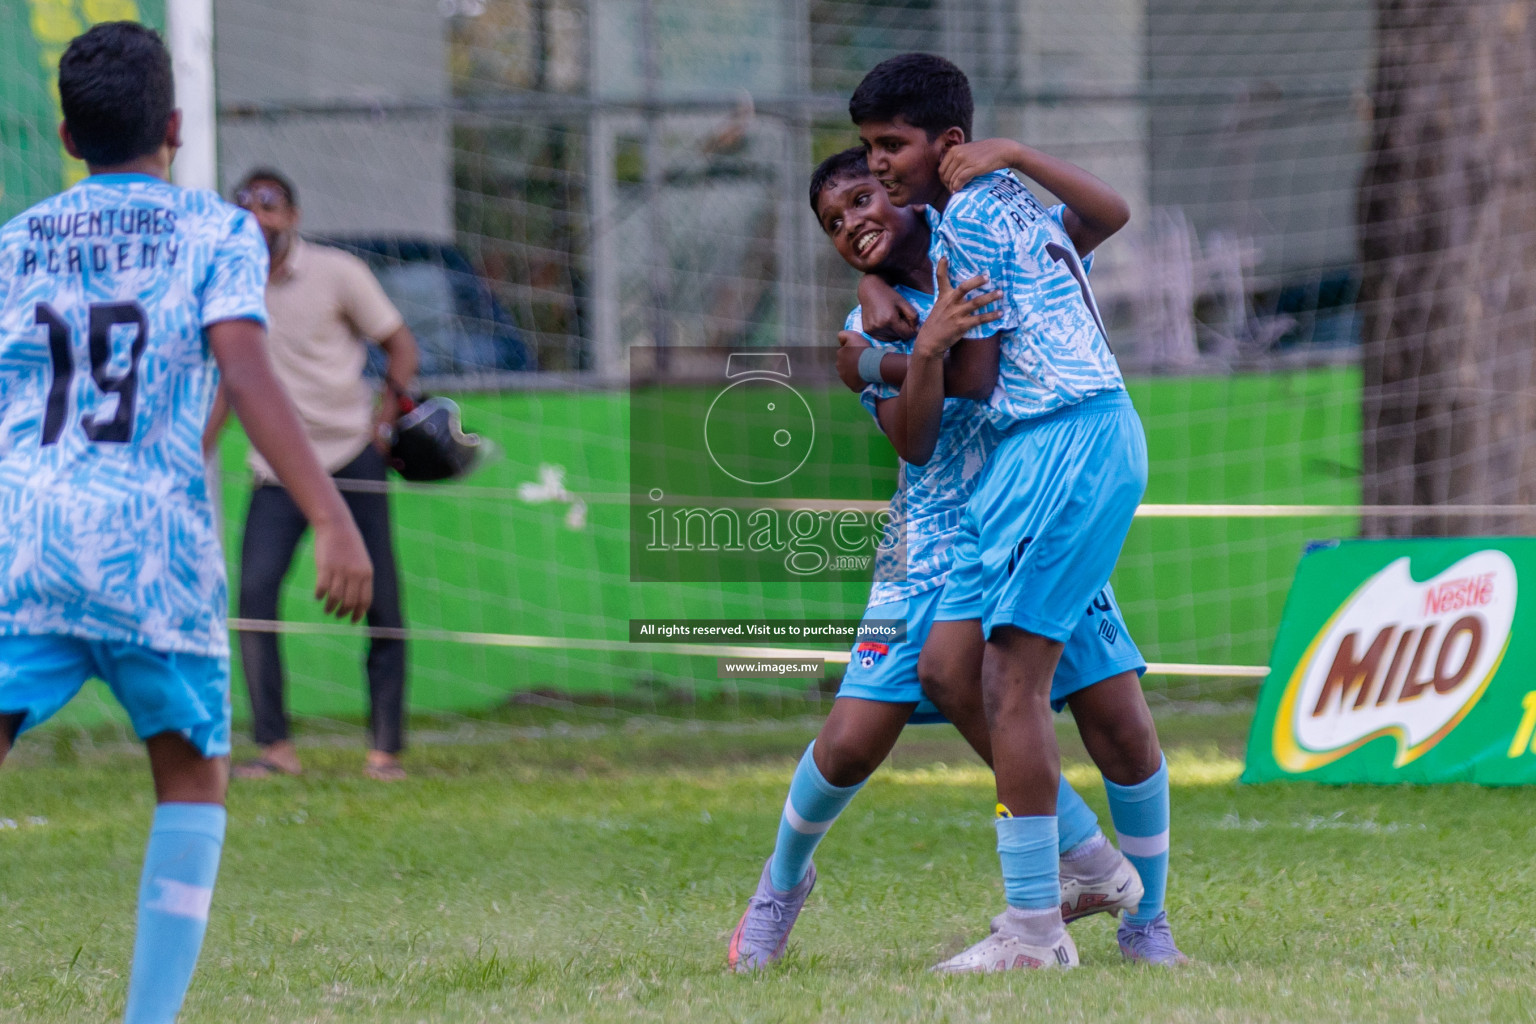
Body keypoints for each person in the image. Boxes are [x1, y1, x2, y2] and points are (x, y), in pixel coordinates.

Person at [0, 22, 372, 1023]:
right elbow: (248, 371)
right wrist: (331, 516)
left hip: (25, 538)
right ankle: (148, 1019)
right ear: (173, 125)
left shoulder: (16, 241)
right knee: (191, 777)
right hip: (151, 549)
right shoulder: (217, 232)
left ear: (67, 137)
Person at [726, 148, 1149, 972]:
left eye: (862, 197)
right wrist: (912, 353)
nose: (853, 223)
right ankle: (782, 881)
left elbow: (997, 360)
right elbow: (915, 443)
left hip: (1037, 504)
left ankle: (1147, 922)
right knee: (851, 740)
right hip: (929, 539)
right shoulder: (864, 327)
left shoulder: (993, 243)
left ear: (898, 189)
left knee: (1120, 722)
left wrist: (912, 344)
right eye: (834, 223)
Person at [848, 53, 1187, 970]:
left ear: (948, 146)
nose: (877, 166)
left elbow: (979, 376)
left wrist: (892, 358)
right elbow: (1101, 217)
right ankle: (1083, 871)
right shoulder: (1004, 206)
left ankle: (1039, 930)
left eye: (892, 147)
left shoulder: (969, 219)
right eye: (869, 148)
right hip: (1039, 455)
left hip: (1064, 439)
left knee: (1018, 687)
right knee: (950, 667)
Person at [204, 168, 420, 782]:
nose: (257, 216)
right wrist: (199, 448)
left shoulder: (338, 273)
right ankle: (275, 748)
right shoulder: (226, 282)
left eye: (269, 206)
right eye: (244, 206)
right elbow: (229, 377)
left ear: (293, 216)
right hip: (274, 470)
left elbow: (400, 344)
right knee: (253, 601)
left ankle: (385, 752)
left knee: (382, 605)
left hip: (350, 454)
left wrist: (384, 421)